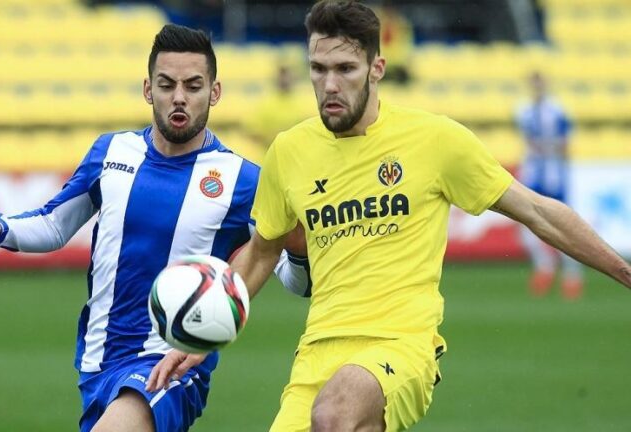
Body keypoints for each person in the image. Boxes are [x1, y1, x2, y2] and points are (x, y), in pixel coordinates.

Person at [147, 2, 631, 431]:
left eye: (345, 68)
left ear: (376, 67)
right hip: (317, 352)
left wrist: (623, 270)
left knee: (335, 415)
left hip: (402, 344)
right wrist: (205, 331)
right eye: (318, 68)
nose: (329, 84)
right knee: (329, 414)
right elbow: (261, 252)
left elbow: (539, 212)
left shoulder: (436, 140)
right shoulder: (289, 152)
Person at [0, 24, 309, 432]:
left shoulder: (242, 180)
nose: (179, 96)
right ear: (148, 89)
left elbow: (293, 279)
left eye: (193, 86)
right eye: (167, 84)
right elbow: (55, 224)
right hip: (98, 363)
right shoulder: (111, 152)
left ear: (214, 93)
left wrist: (299, 249)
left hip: (172, 365)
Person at [516, 71, 583, 299]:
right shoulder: (523, 111)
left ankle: (572, 275)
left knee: (564, 225)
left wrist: (561, 165)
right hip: (534, 174)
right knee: (525, 223)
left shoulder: (557, 110)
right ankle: (544, 267)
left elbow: (564, 143)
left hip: (554, 174)